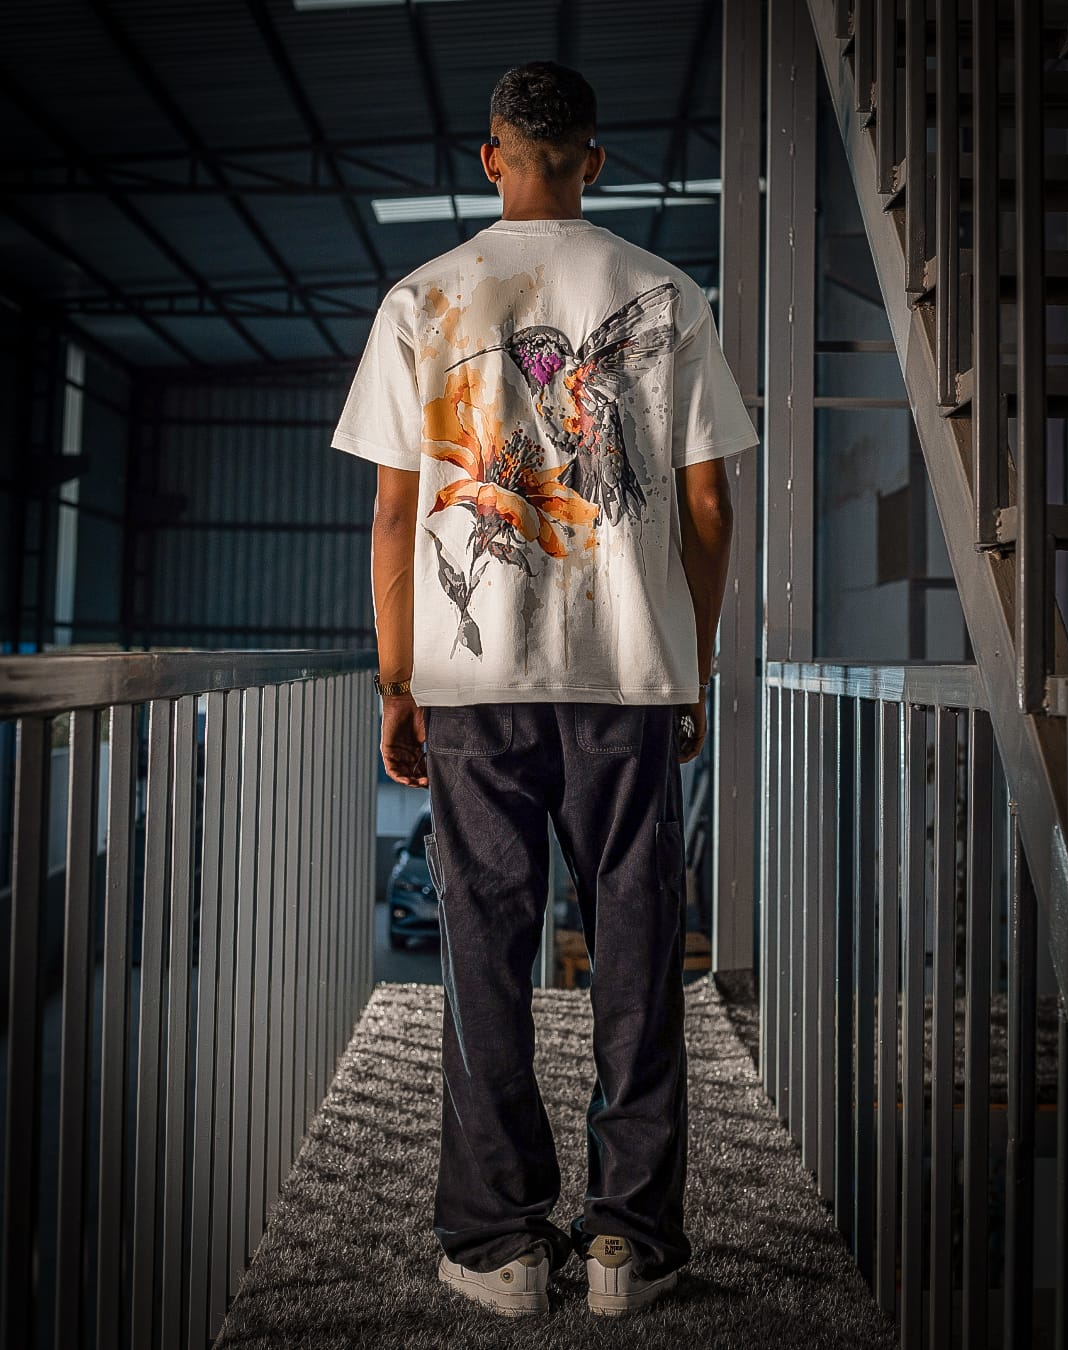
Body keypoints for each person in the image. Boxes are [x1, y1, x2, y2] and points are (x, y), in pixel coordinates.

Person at [331, 60, 759, 1319]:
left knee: (484, 950)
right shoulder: (667, 291)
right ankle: (631, 1244)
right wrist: (691, 660)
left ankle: (500, 1244)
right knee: (637, 949)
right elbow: (710, 506)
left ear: (492, 158)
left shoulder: (423, 296)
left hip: (473, 687)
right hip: (627, 679)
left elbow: (395, 515)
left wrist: (398, 682)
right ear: (594, 160)